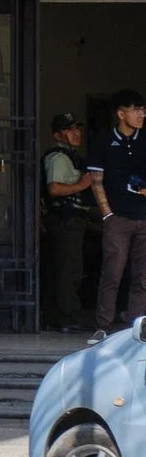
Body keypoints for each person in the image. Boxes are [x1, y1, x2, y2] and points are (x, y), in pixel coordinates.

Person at [89, 90, 146, 344]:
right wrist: (107, 214)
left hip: (144, 217)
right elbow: (96, 180)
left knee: (143, 276)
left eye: (143, 109)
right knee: (112, 272)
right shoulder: (102, 141)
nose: (141, 114)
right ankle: (103, 326)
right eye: (136, 109)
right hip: (118, 219)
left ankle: (137, 328)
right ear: (121, 113)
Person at [41, 113, 104, 333]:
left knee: (69, 269)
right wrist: (82, 184)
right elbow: (54, 189)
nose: (75, 133)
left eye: (77, 128)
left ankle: (60, 317)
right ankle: (66, 319)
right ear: (57, 134)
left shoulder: (71, 155)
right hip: (64, 221)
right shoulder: (59, 157)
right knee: (69, 271)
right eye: (69, 130)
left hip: (74, 221)